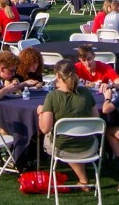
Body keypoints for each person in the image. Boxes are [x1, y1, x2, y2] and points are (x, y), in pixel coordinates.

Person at [37, 59, 99, 189]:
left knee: (55, 139)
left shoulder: (52, 97)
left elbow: (44, 128)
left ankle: (83, 180)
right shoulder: (86, 93)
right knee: (73, 138)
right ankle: (83, 178)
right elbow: (96, 119)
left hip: (63, 147)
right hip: (89, 146)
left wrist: (40, 113)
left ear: (58, 76)